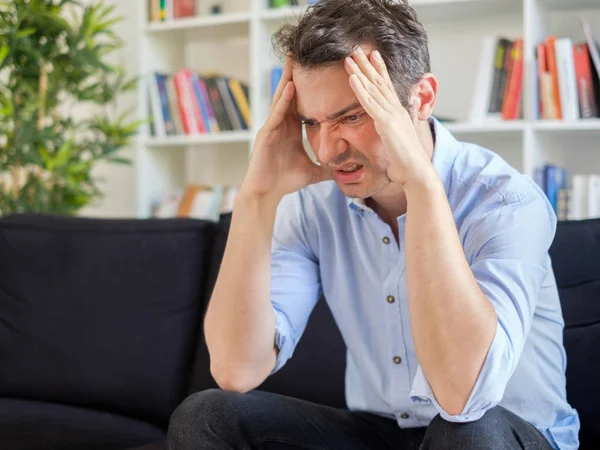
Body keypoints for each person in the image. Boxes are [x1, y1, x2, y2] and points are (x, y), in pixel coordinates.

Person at [167, 0, 580, 448]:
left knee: (465, 430)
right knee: (207, 415)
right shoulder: (313, 205)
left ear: (420, 99)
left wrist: (421, 186)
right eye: (312, 122)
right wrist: (257, 196)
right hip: (386, 432)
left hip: (502, 431)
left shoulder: (505, 201)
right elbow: (236, 369)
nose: (326, 150)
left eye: (352, 116)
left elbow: (464, 396)